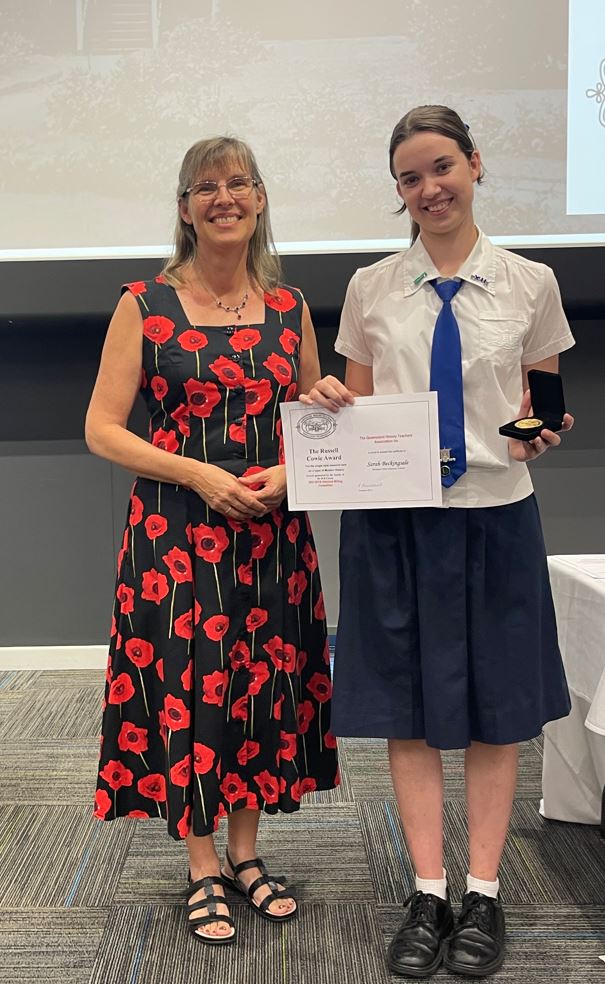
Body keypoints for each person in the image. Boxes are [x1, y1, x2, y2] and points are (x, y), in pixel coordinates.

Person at [301, 105, 574, 978]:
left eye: (441, 167)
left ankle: (484, 894)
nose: (429, 188)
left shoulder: (529, 282)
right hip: (395, 527)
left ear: (474, 164)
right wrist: (333, 408)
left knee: (500, 711)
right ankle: (426, 889)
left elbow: (540, 397)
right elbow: (360, 406)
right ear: (399, 192)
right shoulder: (371, 288)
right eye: (410, 178)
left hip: (497, 515)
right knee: (407, 710)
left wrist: (536, 430)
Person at [86, 136, 339, 946]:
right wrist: (197, 474)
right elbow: (100, 429)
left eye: (238, 184)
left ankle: (245, 853)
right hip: (176, 534)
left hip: (270, 536)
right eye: (205, 187)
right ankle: (200, 865)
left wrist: (301, 457)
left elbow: (310, 422)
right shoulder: (143, 303)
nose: (223, 198)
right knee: (189, 688)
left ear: (260, 200)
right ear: (185, 207)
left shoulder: (288, 305)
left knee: (259, 688)